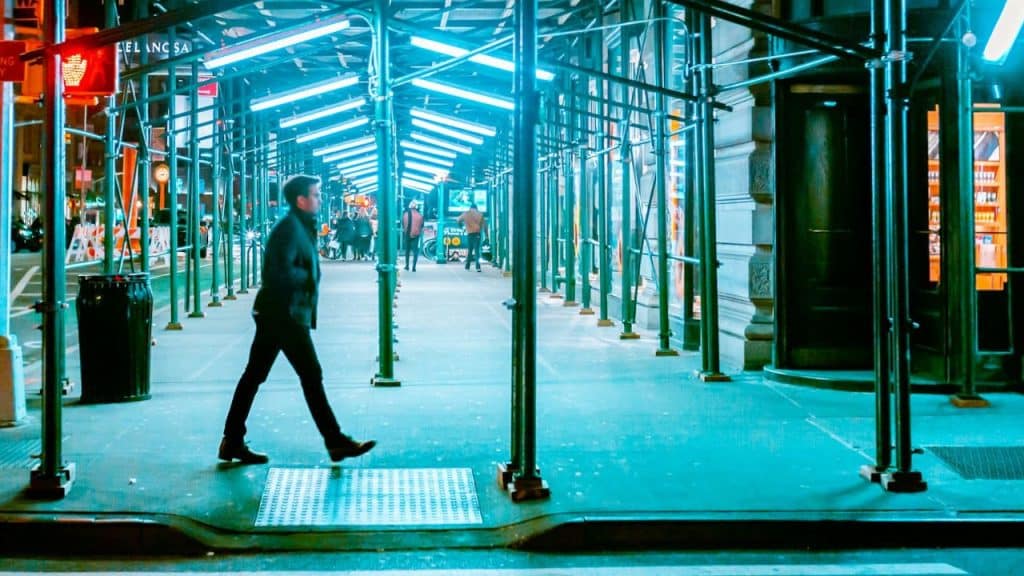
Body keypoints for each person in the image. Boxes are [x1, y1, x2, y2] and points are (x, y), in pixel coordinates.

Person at [219, 175, 376, 464]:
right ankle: (335, 440)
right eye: (315, 195)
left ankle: (232, 440)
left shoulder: (299, 226)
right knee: (310, 375)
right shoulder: (290, 229)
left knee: (255, 376)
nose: (319, 199)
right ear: (301, 200)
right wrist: (306, 280)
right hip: (285, 315)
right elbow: (277, 273)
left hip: (280, 313)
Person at [457, 202, 485, 272]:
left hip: (470, 234)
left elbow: (458, 220)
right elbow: (484, 226)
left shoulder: (466, 213)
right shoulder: (480, 214)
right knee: (477, 251)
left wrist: (460, 226)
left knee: (470, 250)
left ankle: (467, 266)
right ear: (476, 208)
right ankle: (478, 267)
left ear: (470, 208)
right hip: (477, 234)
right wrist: (487, 235)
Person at [402, 201, 424, 272]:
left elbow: (403, 224)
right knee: (415, 251)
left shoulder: (405, 214)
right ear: (416, 207)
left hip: (407, 234)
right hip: (416, 235)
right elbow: (421, 225)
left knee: (407, 251)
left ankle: (407, 265)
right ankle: (414, 267)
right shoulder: (420, 215)